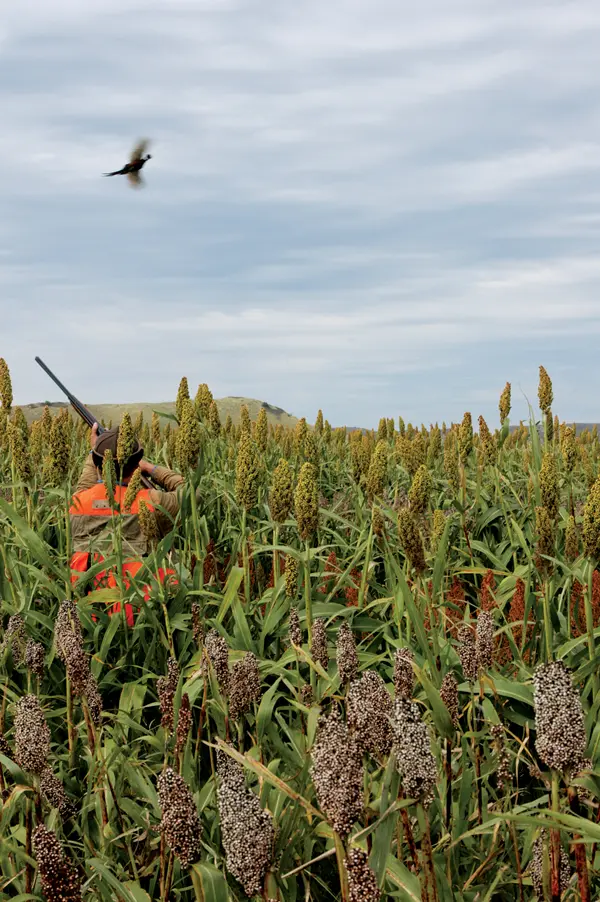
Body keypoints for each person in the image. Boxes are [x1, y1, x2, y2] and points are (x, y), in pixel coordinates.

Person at [69, 422, 184, 624]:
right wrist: (151, 469)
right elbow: (191, 493)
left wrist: (94, 452)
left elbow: (86, 484)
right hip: (144, 615)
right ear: (137, 463)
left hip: (89, 616)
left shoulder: (77, 503)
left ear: (98, 464)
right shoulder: (152, 502)